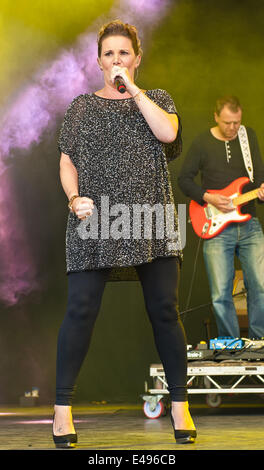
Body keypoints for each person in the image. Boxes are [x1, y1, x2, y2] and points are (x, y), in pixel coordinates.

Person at [53, 19, 196, 448]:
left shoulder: (156, 98)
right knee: (80, 310)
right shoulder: (80, 107)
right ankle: (61, 413)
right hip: (97, 218)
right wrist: (74, 196)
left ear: (137, 58)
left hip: (150, 217)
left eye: (124, 53)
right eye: (109, 54)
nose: (117, 60)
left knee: (165, 311)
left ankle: (180, 406)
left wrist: (133, 90)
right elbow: (67, 160)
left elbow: (168, 134)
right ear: (98, 61)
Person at [178, 95, 264, 340]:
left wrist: (261, 192)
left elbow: (258, 176)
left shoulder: (249, 137)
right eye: (227, 123)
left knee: (260, 286)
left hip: (249, 223)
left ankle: (259, 344)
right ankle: (232, 345)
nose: (232, 128)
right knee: (220, 292)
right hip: (215, 224)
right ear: (216, 117)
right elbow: (184, 179)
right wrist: (208, 198)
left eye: (236, 123)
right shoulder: (202, 142)